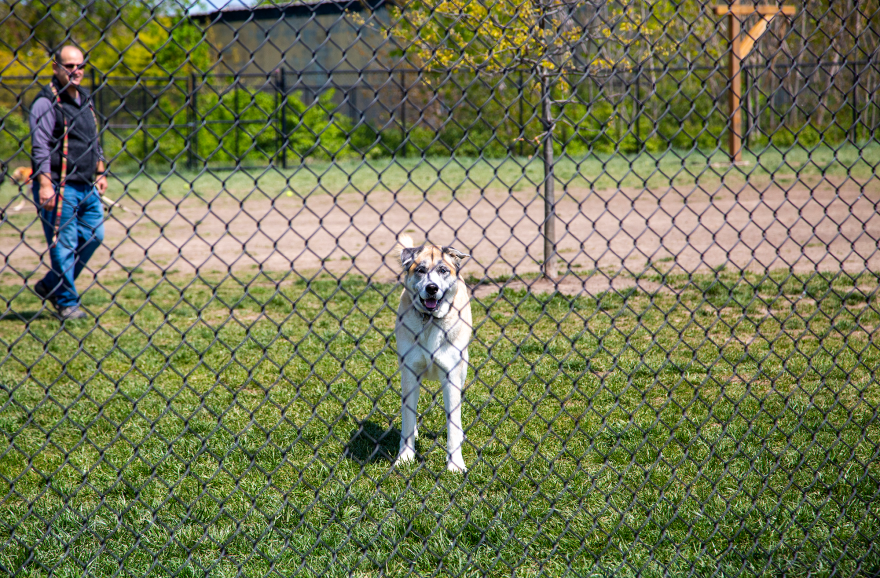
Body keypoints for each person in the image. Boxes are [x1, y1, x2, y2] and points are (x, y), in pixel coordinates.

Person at [30, 46, 107, 320]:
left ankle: (51, 284)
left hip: (86, 184)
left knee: (94, 235)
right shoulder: (46, 102)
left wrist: (99, 171)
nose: (76, 70)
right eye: (69, 65)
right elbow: (39, 147)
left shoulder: (84, 98)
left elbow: (93, 137)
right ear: (56, 67)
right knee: (64, 244)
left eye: (80, 65)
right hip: (60, 186)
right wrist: (45, 185)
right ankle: (66, 302)